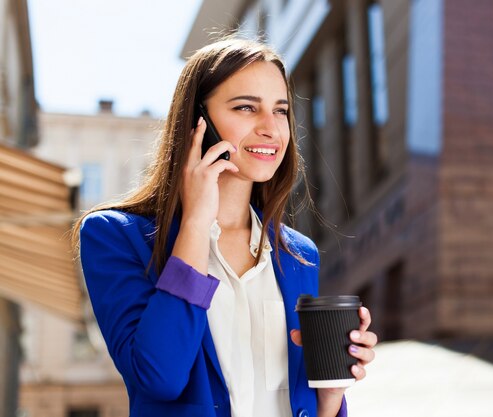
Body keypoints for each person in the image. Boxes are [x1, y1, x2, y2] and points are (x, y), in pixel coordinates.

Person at [72, 37, 377, 417]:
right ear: (198, 120)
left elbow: (300, 399)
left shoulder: (298, 254)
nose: (271, 128)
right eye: (247, 107)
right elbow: (159, 377)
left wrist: (332, 395)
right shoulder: (114, 237)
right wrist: (197, 223)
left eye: (280, 111)